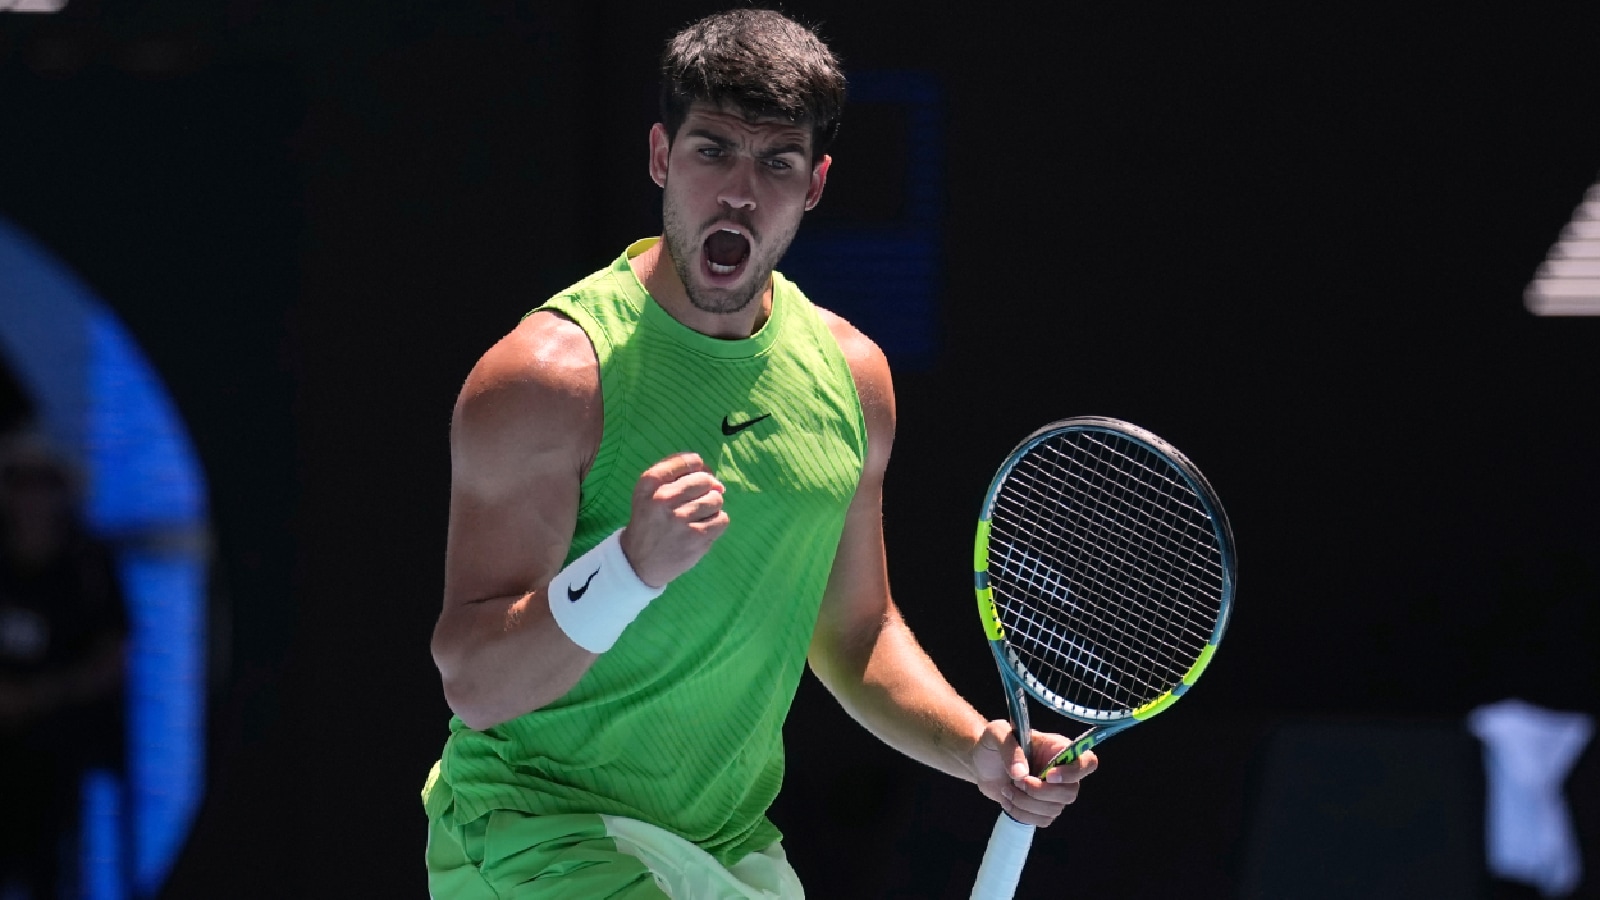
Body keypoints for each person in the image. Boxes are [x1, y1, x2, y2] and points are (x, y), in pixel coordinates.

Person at [423, 9, 1096, 897]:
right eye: (713, 152)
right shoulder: (549, 379)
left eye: (776, 162)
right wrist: (627, 569)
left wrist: (975, 747)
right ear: (662, 157)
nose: (740, 190)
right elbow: (474, 682)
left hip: (727, 845)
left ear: (814, 183)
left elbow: (856, 633)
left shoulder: (852, 380)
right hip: (538, 833)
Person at [0, 430, 129, 900]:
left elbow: (115, 659)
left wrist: (37, 696)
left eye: (43, 483)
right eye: (19, 482)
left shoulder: (87, 566)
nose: (30, 498)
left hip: (59, 751)